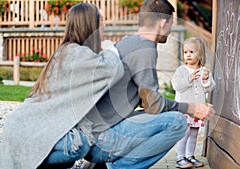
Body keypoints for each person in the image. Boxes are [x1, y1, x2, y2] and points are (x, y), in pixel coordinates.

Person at [86, 0, 216, 168]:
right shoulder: (145, 48)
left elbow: (147, 102)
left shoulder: (128, 42)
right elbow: (154, 104)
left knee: (159, 116)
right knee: (177, 122)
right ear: (162, 23)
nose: (169, 31)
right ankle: (120, 166)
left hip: (94, 134)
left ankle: (104, 164)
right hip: (102, 139)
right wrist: (192, 108)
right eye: (170, 24)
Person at [0, 3, 124, 169]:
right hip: (26, 131)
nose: (104, 25)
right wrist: (109, 46)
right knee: (79, 146)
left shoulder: (67, 51)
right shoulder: (76, 53)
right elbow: (113, 69)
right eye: (101, 20)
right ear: (90, 24)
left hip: (22, 126)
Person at [172, 37, 216, 168]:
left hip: (198, 109)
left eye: (192, 52)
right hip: (185, 109)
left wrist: (206, 80)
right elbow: (176, 86)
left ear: (200, 54)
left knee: (194, 134)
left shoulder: (204, 71)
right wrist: (189, 78)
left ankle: (190, 156)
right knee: (184, 133)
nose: (188, 55)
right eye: (186, 52)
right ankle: (180, 158)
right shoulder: (181, 70)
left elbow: (210, 88)